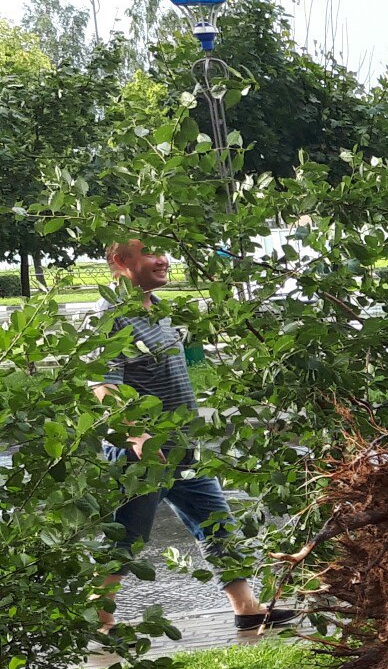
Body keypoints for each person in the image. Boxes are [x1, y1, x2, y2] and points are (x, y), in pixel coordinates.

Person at [93, 239, 291, 635]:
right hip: (142, 455)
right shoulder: (110, 314)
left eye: (163, 252)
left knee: (218, 523)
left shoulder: (159, 310)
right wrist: (138, 436)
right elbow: (102, 384)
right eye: (149, 253)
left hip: (183, 448)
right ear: (121, 261)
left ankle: (248, 609)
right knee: (127, 542)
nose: (162, 260)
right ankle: (98, 622)